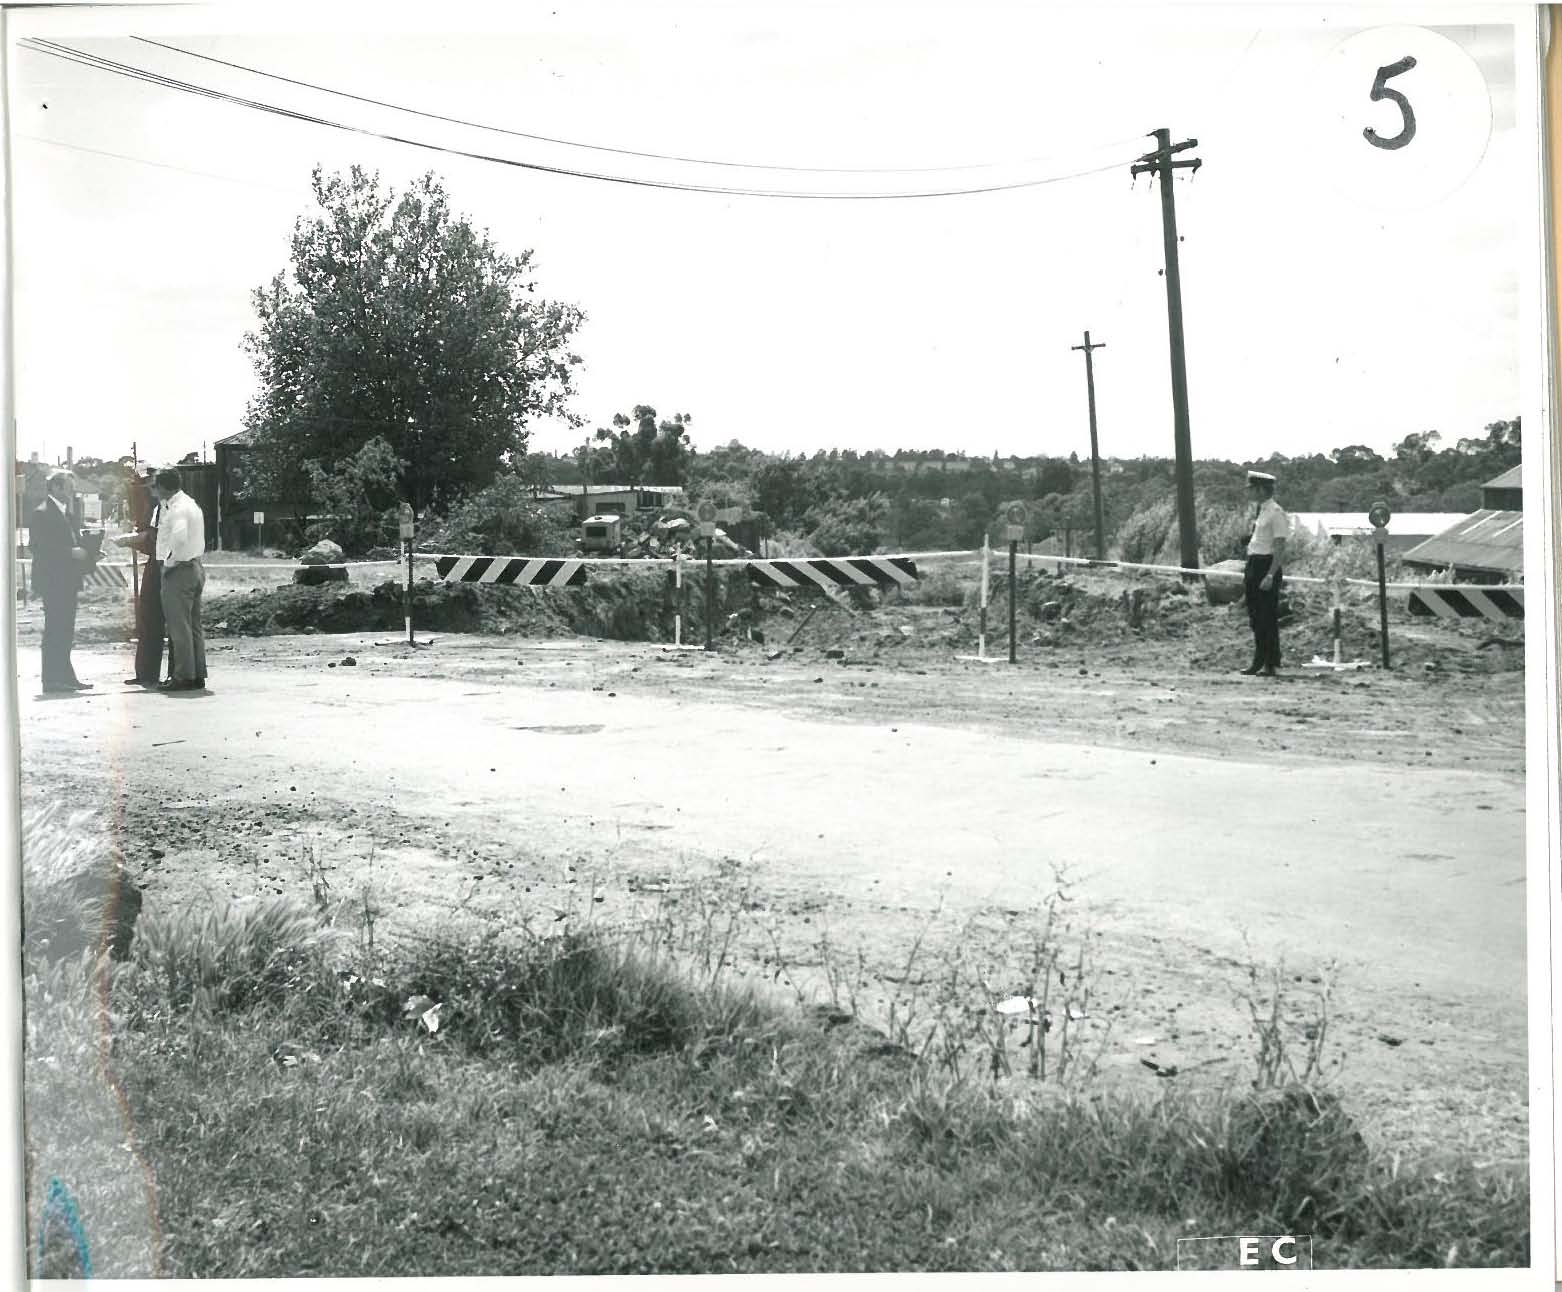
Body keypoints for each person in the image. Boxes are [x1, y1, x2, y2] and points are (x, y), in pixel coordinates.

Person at [30, 470, 92, 694]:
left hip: (67, 580)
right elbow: (38, 547)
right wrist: (70, 553)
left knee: (65, 630)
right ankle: (51, 679)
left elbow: (71, 541)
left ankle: (65, 676)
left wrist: (90, 552)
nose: (72, 491)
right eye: (68, 487)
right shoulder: (42, 513)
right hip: (53, 581)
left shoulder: (66, 512)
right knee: (55, 630)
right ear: (55, 487)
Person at [111, 469, 167, 687]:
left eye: (150, 486)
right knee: (148, 619)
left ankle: (155, 674)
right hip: (156, 565)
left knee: (155, 619)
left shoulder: (163, 508)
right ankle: (146, 674)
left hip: (165, 565)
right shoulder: (155, 508)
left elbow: (154, 540)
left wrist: (132, 539)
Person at [154, 466, 207, 692]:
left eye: (155, 486)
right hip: (195, 566)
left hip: (180, 570)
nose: (154, 490)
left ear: (163, 486)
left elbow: (179, 536)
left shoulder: (176, 510)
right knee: (193, 625)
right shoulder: (190, 503)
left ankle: (184, 676)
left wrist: (168, 563)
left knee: (179, 627)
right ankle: (197, 673)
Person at [1241, 469, 1290, 677]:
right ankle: (1263, 658)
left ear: (1261, 489)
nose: (1249, 492)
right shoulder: (1261, 511)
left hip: (1266, 565)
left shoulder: (1276, 513)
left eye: (1252, 488)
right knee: (1255, 616)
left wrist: (1270, 574)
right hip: (1254, 564)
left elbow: (1279, 547)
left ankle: (1268, 661)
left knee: (1266, 617)